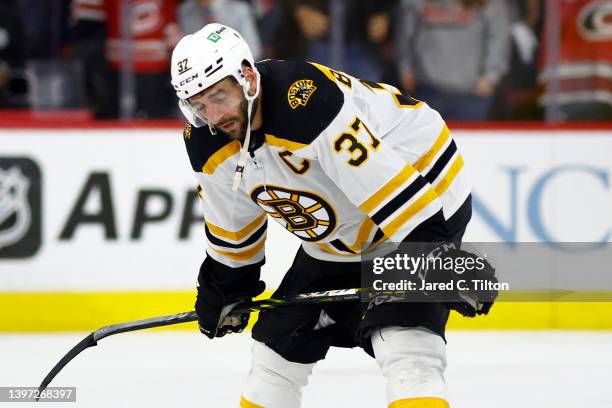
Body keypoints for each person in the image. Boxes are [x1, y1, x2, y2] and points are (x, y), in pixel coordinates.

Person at [171, 23, 494, 408]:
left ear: (247, 75)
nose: (212, 114)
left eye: (219, 96)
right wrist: (227, 287)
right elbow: (233, 227)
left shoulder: (302, 100)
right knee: (274, 354)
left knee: (406, 345)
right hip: (343, 228)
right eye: (198, 104)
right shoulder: (206, 139)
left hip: (421, 190)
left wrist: (434, 257)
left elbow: (388, 186)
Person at [395, 0, 511, 121]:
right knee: (425, 139)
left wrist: (490, 77)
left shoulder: (491, 3)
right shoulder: (415, 3)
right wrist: (405, 69)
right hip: (427, 89)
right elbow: (405, 36)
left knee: (469, 140)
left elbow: (499, 41)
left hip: (472, 95)